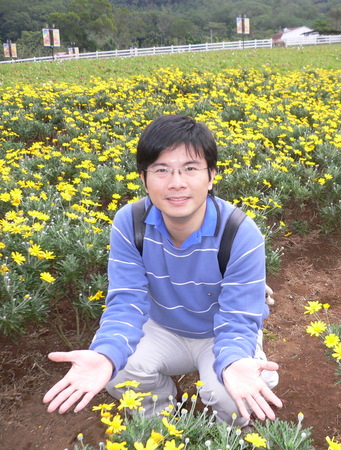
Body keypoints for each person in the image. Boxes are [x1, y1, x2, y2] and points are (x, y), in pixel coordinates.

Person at [43, 115, 281, 426]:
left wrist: (234, 361)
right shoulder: (131, 222)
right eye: (161, 169)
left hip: (218, 333)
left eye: (190, 169)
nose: (176, 183)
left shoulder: (240, 232)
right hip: (163, 329)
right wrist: (105, 354)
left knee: (231, 393)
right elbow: (126, 301)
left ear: (211, 176)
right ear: (144, 179)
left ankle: (226, 435)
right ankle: (165, 423)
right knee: (118, 373)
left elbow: (238, 317)